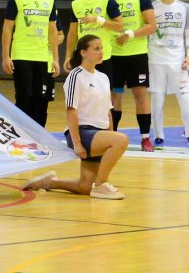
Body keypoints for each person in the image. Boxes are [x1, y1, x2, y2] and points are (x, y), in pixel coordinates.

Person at [23, 35, 128, 201]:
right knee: (121, 140)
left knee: (85, 187)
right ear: (84, 53)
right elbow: (71, 111)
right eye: (96, 49)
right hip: (83, 133)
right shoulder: (76, 76)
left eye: (101, 48)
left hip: (100, 135)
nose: (101, 52)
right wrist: (77, 143)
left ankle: (50, 182)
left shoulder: (103, 77)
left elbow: (108, 110)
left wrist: (110, 133)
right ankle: (101, 185)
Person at [103, 0, 157, 148]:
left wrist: (131, 34)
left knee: (140, 94)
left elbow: (152, 25)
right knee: (115, 95)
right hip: (114, 56)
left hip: (136, 55)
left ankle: (145, 137)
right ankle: (112, 135)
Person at [2, 0, 61, 126]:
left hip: (43, 57)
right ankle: (21, 136)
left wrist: (55, 59)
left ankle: (39, 139)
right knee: (24, 98)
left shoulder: (49, 0)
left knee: (41, 100)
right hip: (22, 55)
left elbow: (52, 30)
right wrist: (6, 56)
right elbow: (7, 28)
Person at [148, 0, 189, 149]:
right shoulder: (151, 8)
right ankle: (159, 137)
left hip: (178, 62)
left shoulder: (184, 8)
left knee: (185, 97)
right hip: (156, 60)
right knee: (157, 100)